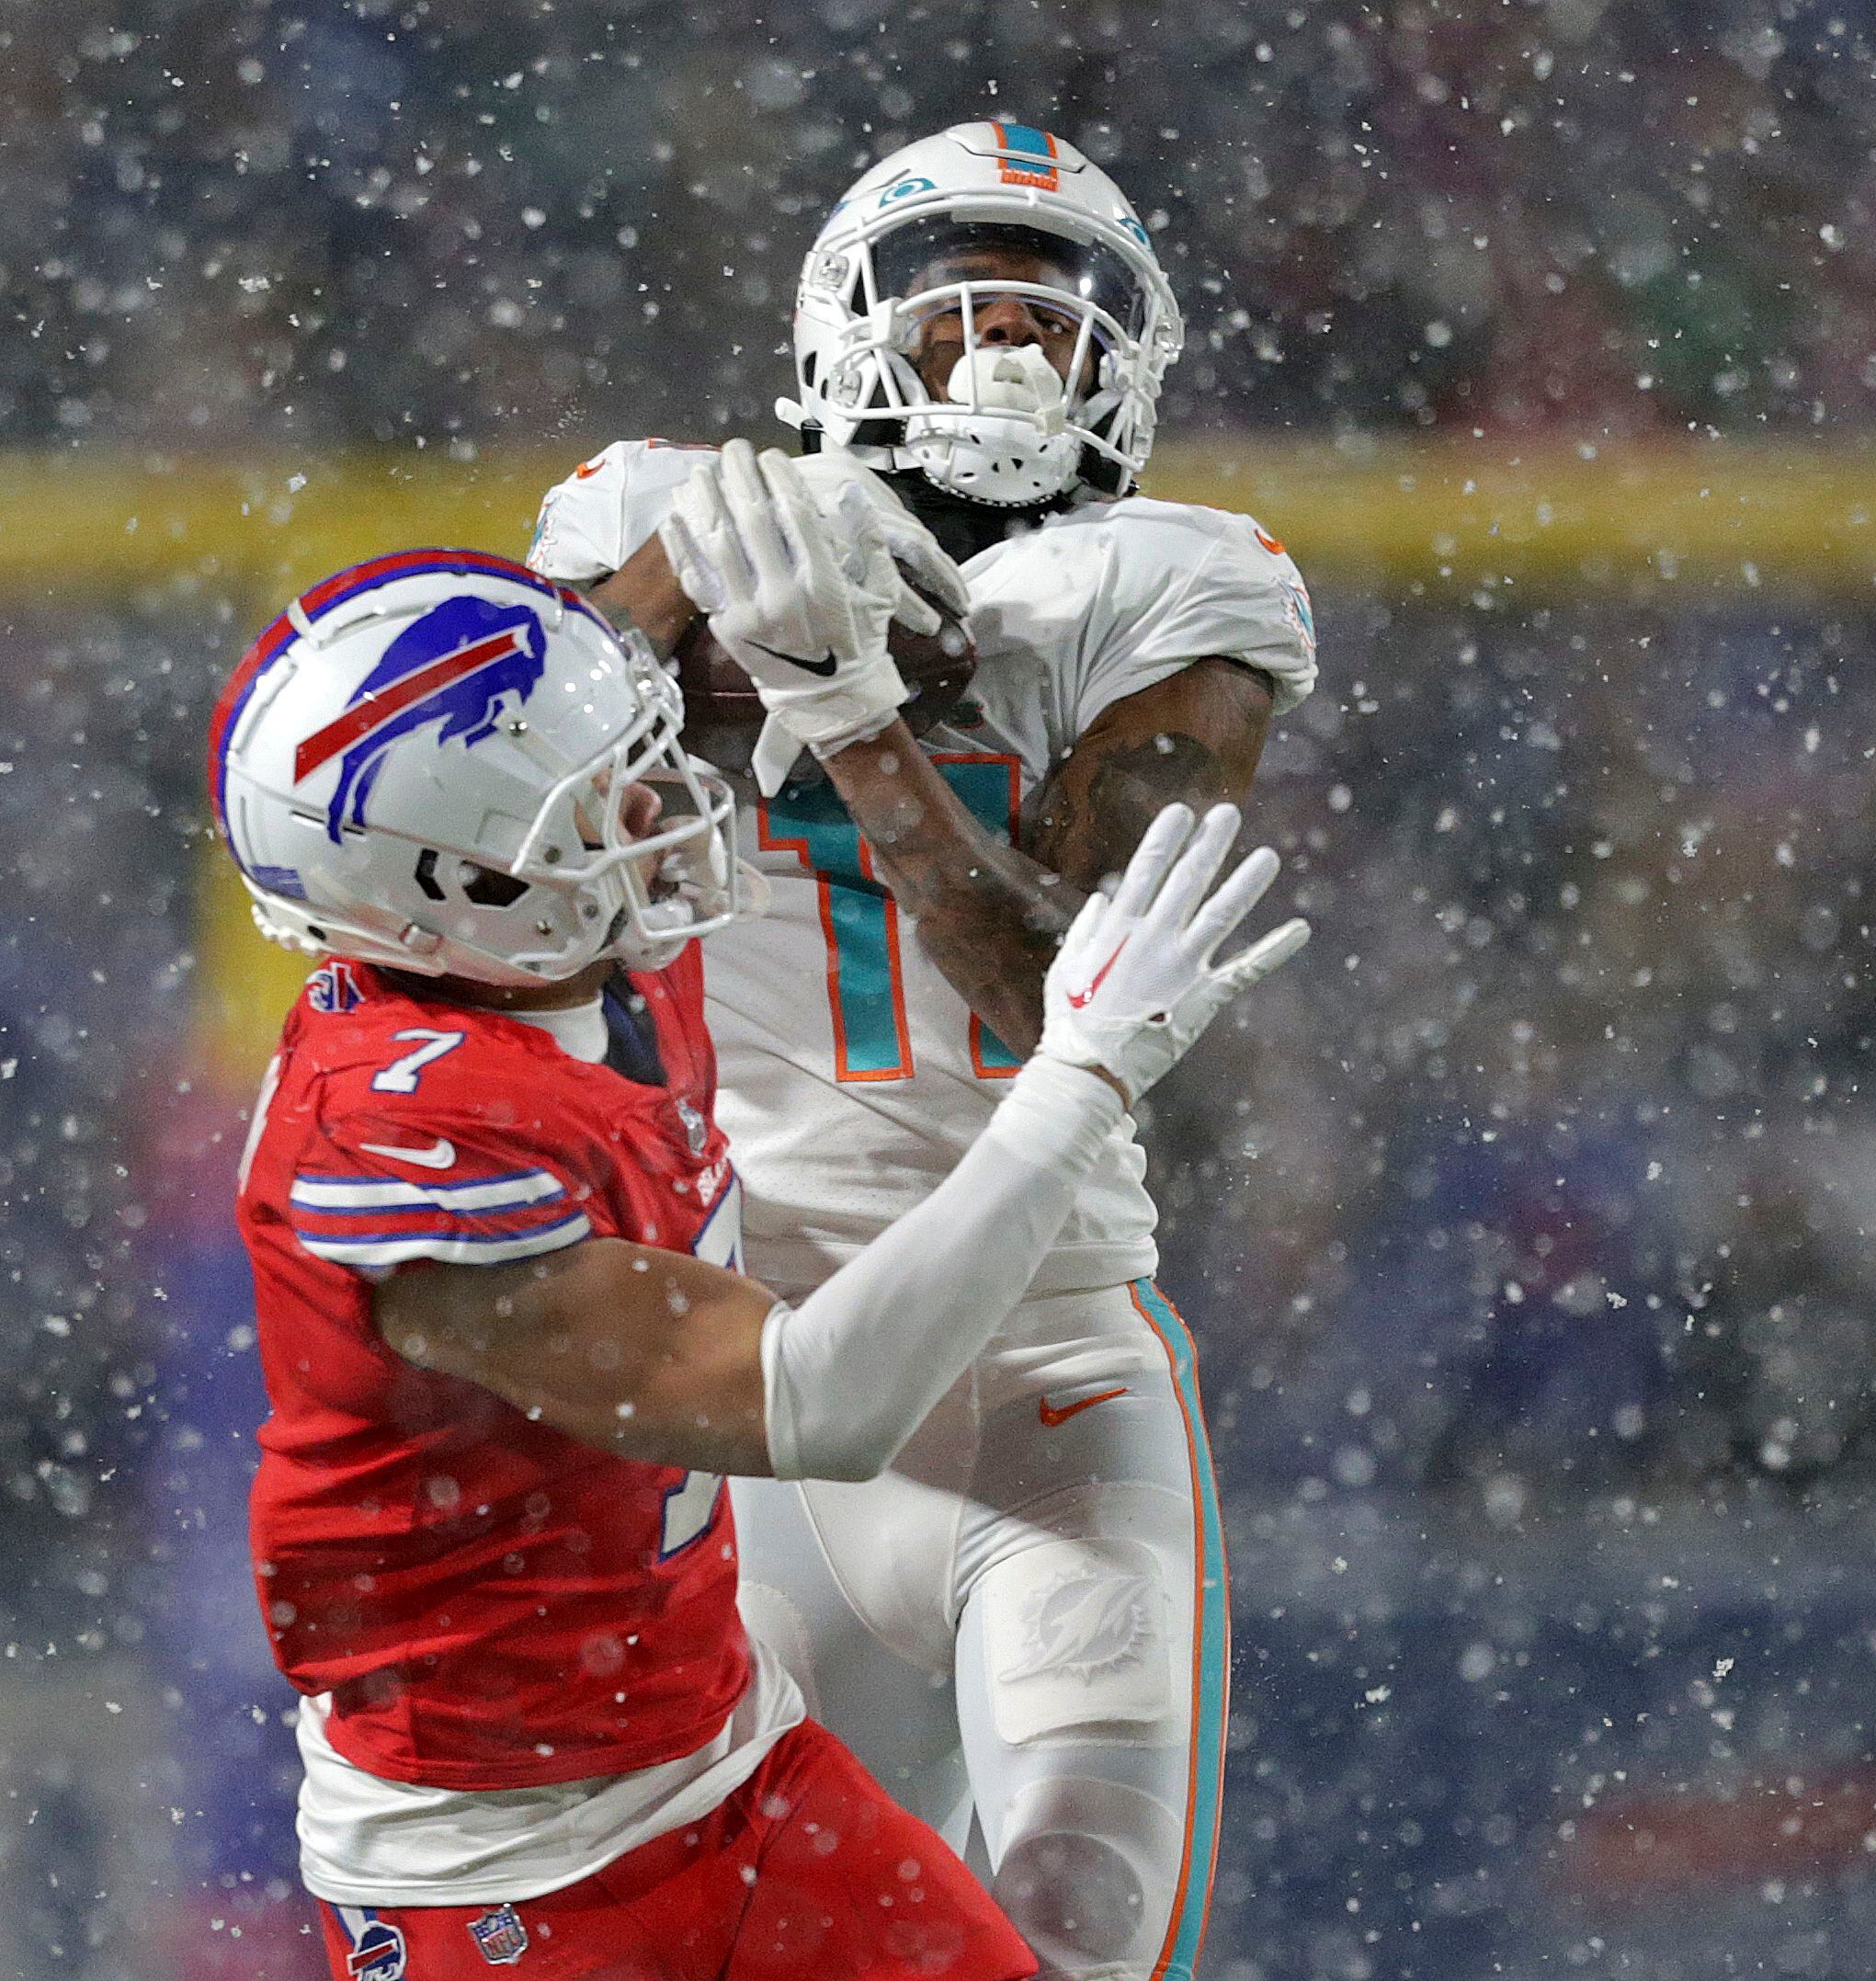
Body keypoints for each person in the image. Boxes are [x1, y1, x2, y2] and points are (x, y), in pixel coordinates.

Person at [206, 545, 1304, 1978]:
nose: (662, 806)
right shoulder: (397, 1133)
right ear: (455, 887)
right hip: (508, 1877)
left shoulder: (554, 963)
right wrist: (1079, 1081)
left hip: (733, 1770)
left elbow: (622, 641)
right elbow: (816, 1406)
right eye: (603, 801)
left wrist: (733, 530)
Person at [525, 122, 1317, 1979]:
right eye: (963, 302)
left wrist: (854, 713)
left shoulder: (1170, 588)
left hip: (1041, 1375)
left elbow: (1062, 990)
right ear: (853, 327)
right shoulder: (673, 505)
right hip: (738, 1364)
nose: (1013, 343)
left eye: (1054, 307)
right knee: (673, 1948)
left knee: (1067, 1941)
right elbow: (503, 795)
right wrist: (670, 601)